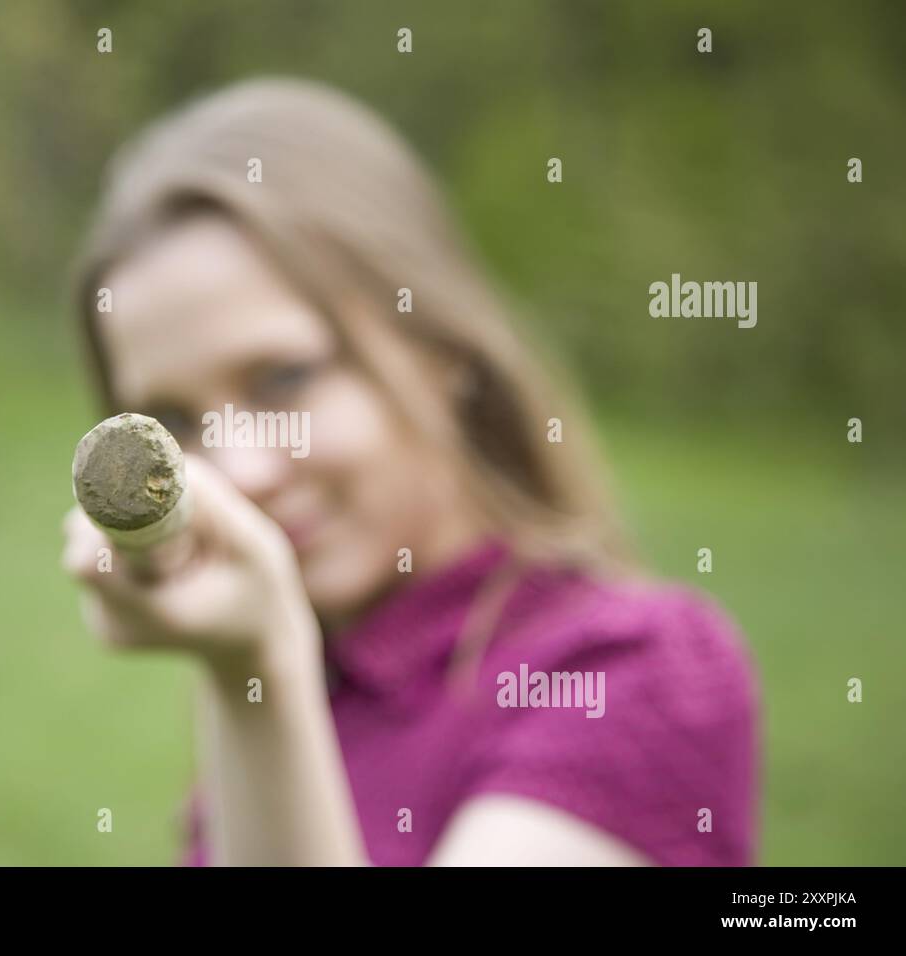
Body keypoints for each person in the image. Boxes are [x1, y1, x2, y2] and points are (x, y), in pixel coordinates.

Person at [61, 77, 759, 866]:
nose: (239, 472)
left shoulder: (630, 674)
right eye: (176, 423)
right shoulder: (305, 696)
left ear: (440, 347)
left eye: (283, 378)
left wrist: (254, 674)